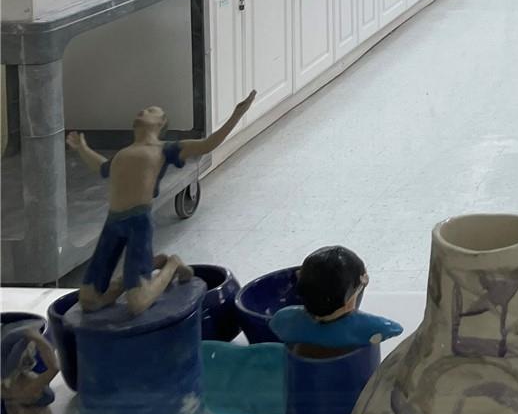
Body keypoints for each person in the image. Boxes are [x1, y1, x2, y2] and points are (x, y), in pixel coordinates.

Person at [67, 91, 256, 315]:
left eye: (151, 111)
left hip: (138, 223)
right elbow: (102, 167)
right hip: (113, 223)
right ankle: (138, 274)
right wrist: (82, 148)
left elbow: (207, 144)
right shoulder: (123, 153)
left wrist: (236, 115)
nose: (143, 110)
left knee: (137, 304)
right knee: (88, 300)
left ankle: (172, 263)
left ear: (161, 122)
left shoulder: (164, 149)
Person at [270, 246, 403, 353]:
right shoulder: (370, 327)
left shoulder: (284, 318)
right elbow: (396, 329)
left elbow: (274, 324)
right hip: (353, 373)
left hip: (300, 371)